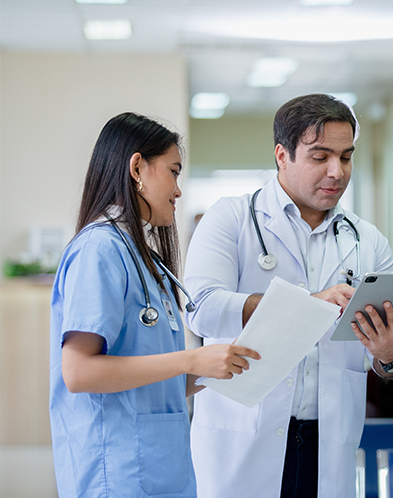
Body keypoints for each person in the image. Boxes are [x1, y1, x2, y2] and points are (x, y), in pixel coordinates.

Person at [183, 94, 393, 498]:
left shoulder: (368, 241)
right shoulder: (231, 218)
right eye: (320, 156)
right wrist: (307, 304)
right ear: (282, 155)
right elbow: (202, 309)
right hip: (243, 441)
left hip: (327, 443)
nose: (337, 171)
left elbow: (392, 359)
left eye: (346, 157)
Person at [49, 112, 260, 498]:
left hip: (162, 471)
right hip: (117, 473)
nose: (179, 190)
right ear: (137, 168)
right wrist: (190, 361)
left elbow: (150, 383)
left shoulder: (144, 258)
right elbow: (78, 372)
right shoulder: (100, 249)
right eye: (174, 171)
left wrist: (217, 369)